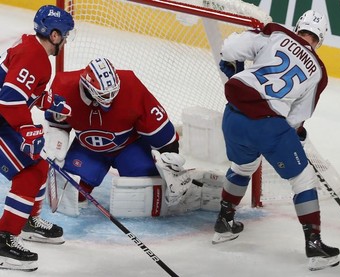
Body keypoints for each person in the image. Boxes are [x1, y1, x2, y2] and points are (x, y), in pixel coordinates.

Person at [213, 10, 340, 271]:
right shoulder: (318, 71)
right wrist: (295, 136)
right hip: (267, 125)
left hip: (233, 116)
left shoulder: (275, 33)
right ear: (321, 39)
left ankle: (224, 223)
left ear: (297, 27)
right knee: (303, 179)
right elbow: (296, 119)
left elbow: (229, 48)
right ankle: (315, 246)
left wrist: (234, 67)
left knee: (243, 167)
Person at [43, 57, 217, 218]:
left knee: (148, 192)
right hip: (87, 149)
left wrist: (171, 162)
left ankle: (193, 186)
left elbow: (161, 131)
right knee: (70, 194)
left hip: (128, 146)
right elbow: (57, 125)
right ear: (88, 87)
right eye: (104, 95)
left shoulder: (130, 85)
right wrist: (55, 148)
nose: (110, 99)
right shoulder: (63, 88)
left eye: (113, 92)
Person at [0, 5, 74, 271]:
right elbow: (9, 100)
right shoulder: (34, 55)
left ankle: (27, 221)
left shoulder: (35, 50)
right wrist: (27, 128)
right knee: (29, 174)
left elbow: (27, 90)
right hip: (3, 117)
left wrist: (50, 101)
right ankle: (4, 240)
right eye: (64, 35)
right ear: (54, 35)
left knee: (39, 165)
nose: (65, 40)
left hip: (4, 117)